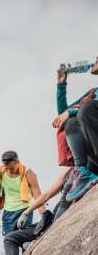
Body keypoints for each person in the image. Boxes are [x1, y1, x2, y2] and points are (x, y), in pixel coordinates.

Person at [4, 167, 72, 255]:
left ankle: (36, 243)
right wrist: (25, 213)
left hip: (60, 219)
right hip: (52, 218)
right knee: (10, 237)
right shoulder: (68, 171)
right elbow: (46, 195)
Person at [53, 58, 98, 201]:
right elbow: (63, 114)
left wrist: (72, 113)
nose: (95, 59)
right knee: (71, 123)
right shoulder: (93, 92)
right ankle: (83, 173)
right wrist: (61, 86)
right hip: (94, 153)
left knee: (86, 108)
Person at [0, 151, 45, 235]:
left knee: (25, 239)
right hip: (8, 211)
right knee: (8, 240)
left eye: (12, 168)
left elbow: (38, 196)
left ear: (17, 162)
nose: (9, 171)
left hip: (26, 208)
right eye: (7, 168)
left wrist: (43, 216)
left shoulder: (28, 173)